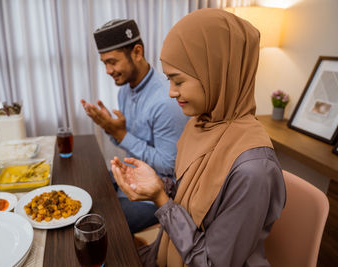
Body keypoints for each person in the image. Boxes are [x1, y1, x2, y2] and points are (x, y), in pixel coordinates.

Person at [111, 9, 286, 267]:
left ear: (214, 73)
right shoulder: (200, 125)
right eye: (169, 80)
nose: (171, 92)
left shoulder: (254, 170)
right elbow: (191, 197)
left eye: (178, 81)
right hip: (171, 249)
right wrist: (158, 185)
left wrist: (161, 199)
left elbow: (210, 263)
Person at [81, 19, 188, 234]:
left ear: (137, 52)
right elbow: (130, 143)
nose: (108, 70)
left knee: (95, 226)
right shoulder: (124, 92)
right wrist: (110, 127)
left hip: (157, 195)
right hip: (132, 178)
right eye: (104, 63)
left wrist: (120, 134)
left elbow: (170, 165)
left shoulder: (166, 99)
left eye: (113, 62)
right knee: (85, 193)